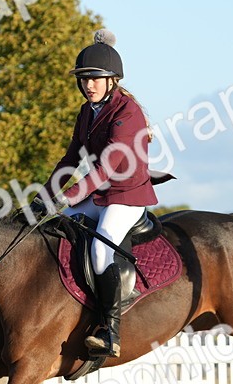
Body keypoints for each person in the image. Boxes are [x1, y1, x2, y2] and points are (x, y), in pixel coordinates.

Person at [39, 29, 159, 360]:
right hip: (99, 194)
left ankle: (110, 331)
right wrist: (45, 197)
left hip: (127, 195)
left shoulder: (127, 112)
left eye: (95, 79)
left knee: (102, 250)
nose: (88, 85)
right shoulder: (86, 111)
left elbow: (107, 166)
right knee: (56, 228)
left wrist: (68, 195)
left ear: (111, 80)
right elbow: (71, 160)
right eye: (84, 79)